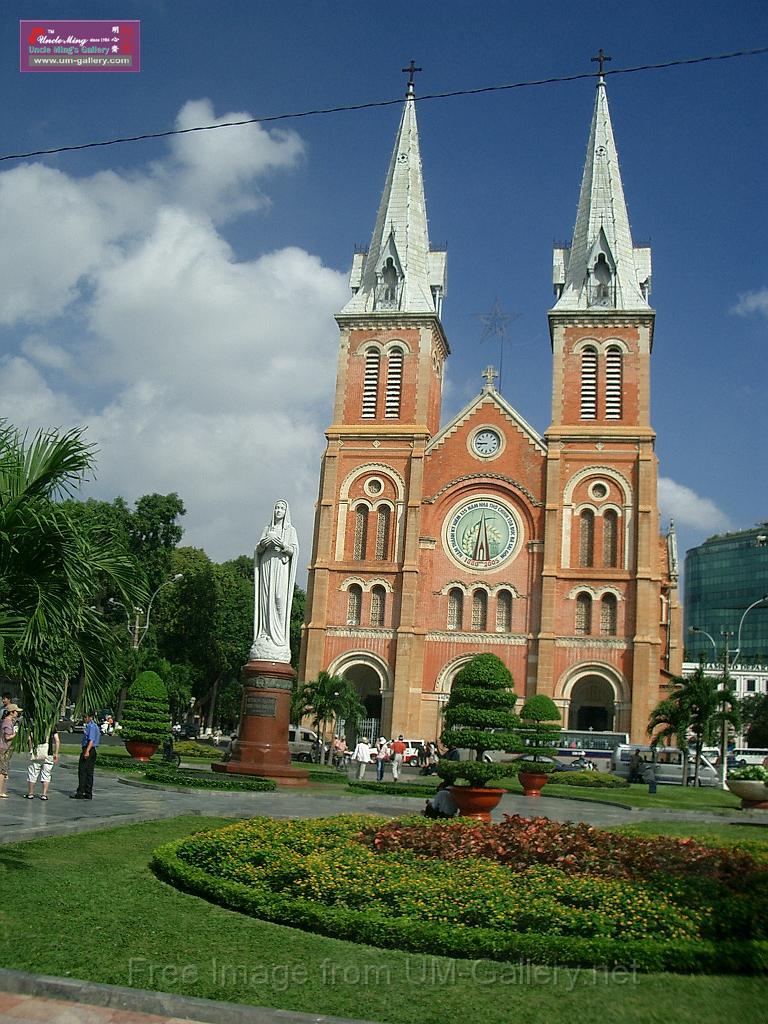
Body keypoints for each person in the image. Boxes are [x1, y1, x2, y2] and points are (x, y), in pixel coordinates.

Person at [250, 499, 299, 664]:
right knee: (266, 599)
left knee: (279, 598)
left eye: (282, 508)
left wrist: (283, 545)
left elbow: (294, 550)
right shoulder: (267, 529)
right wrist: (262, 545)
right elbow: (257, 549)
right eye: (277, 508)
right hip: (266, 564)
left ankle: (279, 638)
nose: (278, 510)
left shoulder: (290, 530)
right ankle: (265, 633)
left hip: (280, 566)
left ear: (286, 512)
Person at [71, 711, 100, 800]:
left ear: (90, 717)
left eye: (85, 717)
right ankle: (88, 792)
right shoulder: (94, 726)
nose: (84, 719)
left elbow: (91, 740)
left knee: (82, 771)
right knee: (89, 772)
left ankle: (80, 792)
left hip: (89, 749)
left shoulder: (91, 727)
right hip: (92, 750)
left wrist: (87, 751)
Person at [27, 726, 59, 800]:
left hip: (37, 753)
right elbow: (57, 740)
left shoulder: (34, 725)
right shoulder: (51, 726)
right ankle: (44, 794)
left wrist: (30, 750)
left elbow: (29, 739)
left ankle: (31, 793)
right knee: (46, 774)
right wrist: (56, 753)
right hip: (48, 754)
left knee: (32, 773)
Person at [0, 704, 22, 798]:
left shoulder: (9, 721)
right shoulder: (7, 722)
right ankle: (0, 791)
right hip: (3, 748)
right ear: (12, 712)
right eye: (16, 712)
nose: (17, 713)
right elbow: (7, 737)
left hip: (5, 748)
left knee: (3, 770)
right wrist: (15, 734)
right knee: (2, 771)